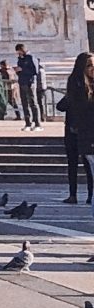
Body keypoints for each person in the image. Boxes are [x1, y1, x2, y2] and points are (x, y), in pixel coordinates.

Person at [62, 53, 94, 205]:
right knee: (72, 162)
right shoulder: (75, 82)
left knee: (89, 164)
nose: (92, 68)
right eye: (89, 65)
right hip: (74, 127)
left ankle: (90, 194)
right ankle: (73, 194)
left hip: (89, 129)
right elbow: (72, 104)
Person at [15, 43, 43, 128]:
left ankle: (37, 123)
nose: (18, 53)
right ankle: (28, 122)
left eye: (19, 51)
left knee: (33, 103)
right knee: (24, 103)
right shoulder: (20, 59)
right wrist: (17, 70)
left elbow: (35, 71)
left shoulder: (31, 58)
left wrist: (23, 69)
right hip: (22, 82)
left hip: (30, 82)